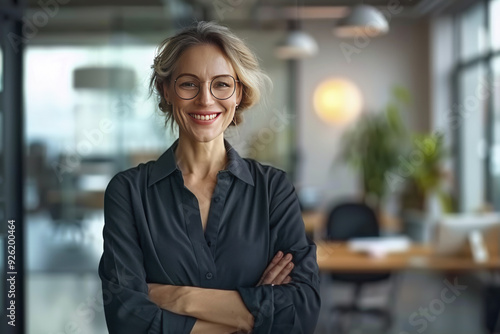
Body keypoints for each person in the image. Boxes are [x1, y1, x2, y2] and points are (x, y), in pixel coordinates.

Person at [98, 21, 321, 334]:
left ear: (239, 93)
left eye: (222, 84)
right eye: (189, 84)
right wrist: (253, 316)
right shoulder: (128, 192)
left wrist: (177, 297)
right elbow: (127, 321)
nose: (205, 99)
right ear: (167, 90)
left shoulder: (273, 189)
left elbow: (301, 313)